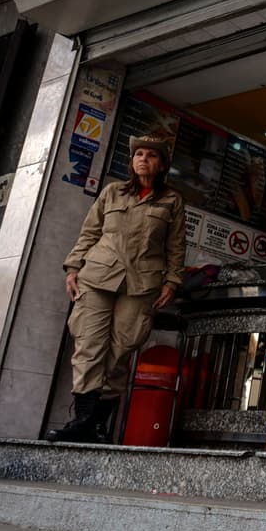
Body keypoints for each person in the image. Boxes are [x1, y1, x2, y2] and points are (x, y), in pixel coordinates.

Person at [50, 135, 186, 443]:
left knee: (120, 351)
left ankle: (97, 425)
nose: (143, 159)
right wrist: (73, 268)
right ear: (132, 160)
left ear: (161, 164)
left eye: (151, 155)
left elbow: (176, 247)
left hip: (142, 284)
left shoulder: (171, 201)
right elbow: (89, 232)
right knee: (89, 346)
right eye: (139, 154)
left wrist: (172, 281)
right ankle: (82, 422)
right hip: (97, 276)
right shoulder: (112, 192)